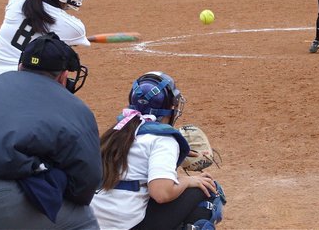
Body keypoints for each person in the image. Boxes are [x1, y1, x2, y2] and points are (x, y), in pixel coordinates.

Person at [0, 33, 102, 229]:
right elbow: (85, 184)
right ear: (63, 76)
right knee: (82, 219)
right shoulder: (73, 107)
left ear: (20, 66)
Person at [91, 71, 226, 230]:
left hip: (92, 222)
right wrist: (187, 180)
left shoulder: (116, 133)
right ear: (169, 107)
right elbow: (161, 193)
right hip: (127, 226)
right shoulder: (164, 140)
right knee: (209, 190)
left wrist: (177, 156)